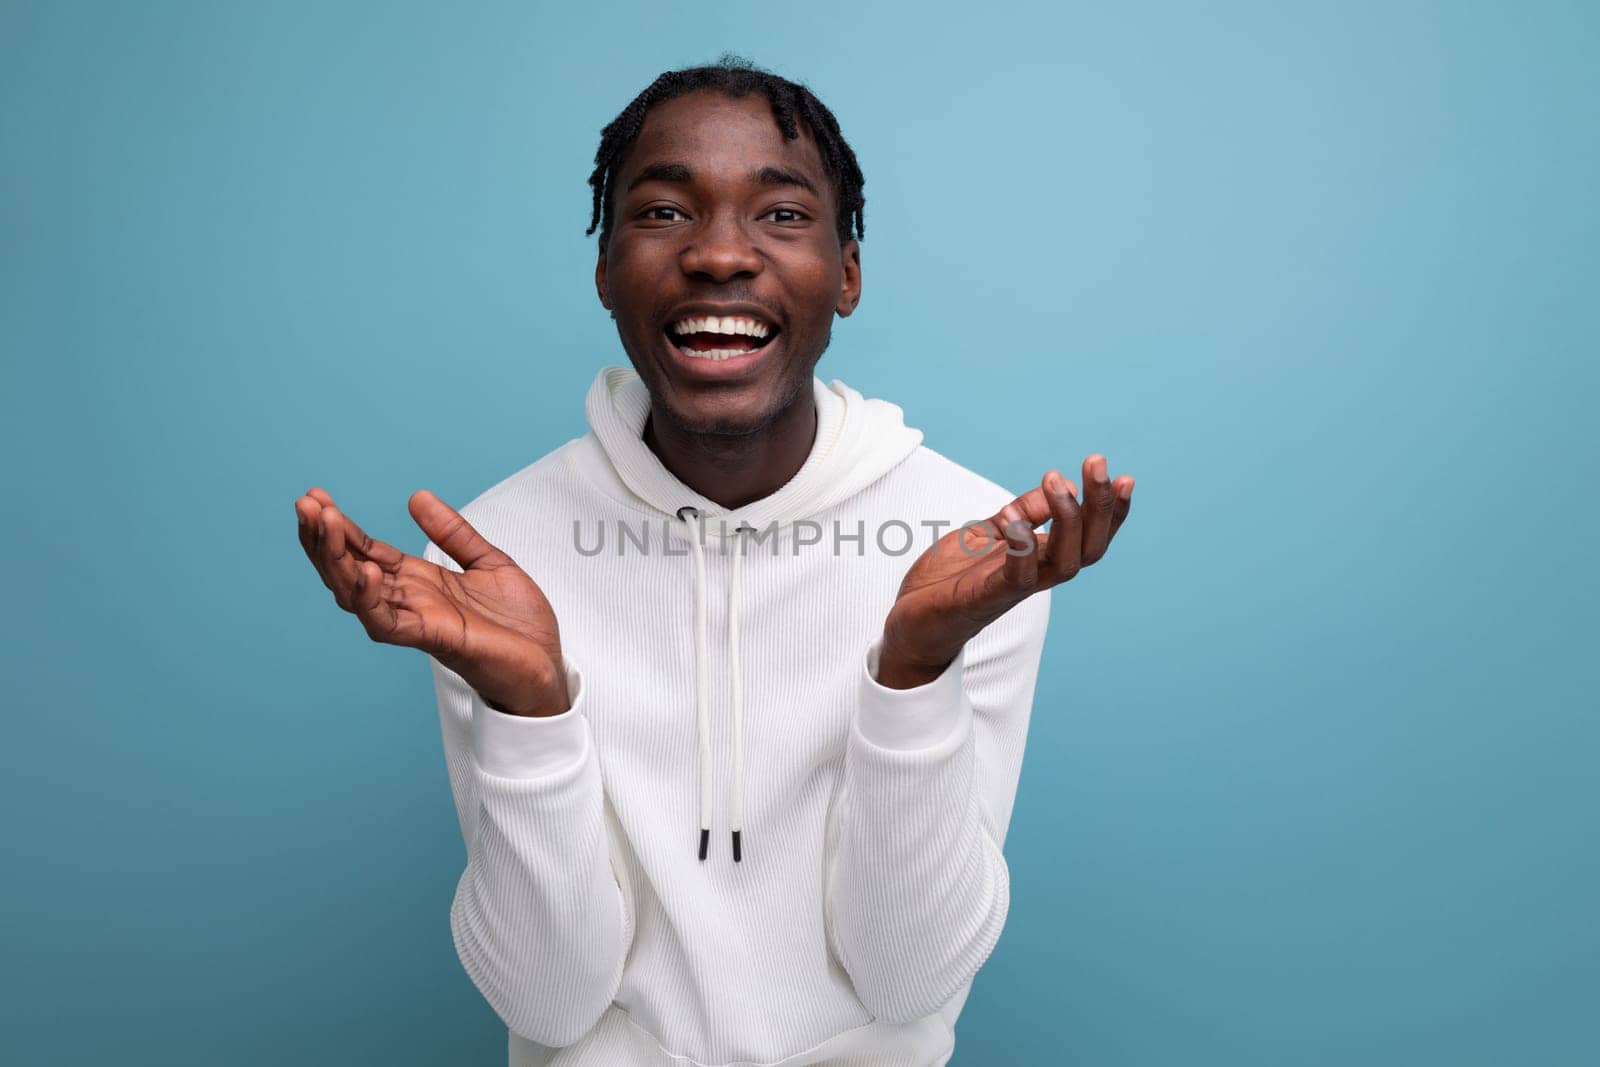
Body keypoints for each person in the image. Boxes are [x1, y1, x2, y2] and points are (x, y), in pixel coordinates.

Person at [294, 56, 1134, 1067]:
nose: (719, 255)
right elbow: (550, 1004)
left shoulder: (969, 545)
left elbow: (909, 981)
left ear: (849, 272)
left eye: (781, 215)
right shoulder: (495, 558)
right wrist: (530, 706)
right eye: (661, 212)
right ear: (604, 268)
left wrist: (912, 670)